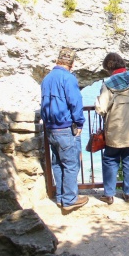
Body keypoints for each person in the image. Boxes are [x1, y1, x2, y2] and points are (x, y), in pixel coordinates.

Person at [95, 52, 129, 205]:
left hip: (115, 129)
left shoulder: (108, 84)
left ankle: (109, 194)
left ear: (108, 68)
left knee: (110, 159)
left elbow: (101, 108)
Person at [41, 47, 88, 211]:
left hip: (50, 128)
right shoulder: (68, 78)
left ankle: (61, 197)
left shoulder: (47, 79)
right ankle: (70, 200)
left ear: (57, 60)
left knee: (58, 163)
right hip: (65, 128)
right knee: (71, 164)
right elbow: (75, 102)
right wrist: (80, 123)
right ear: (72, 63)